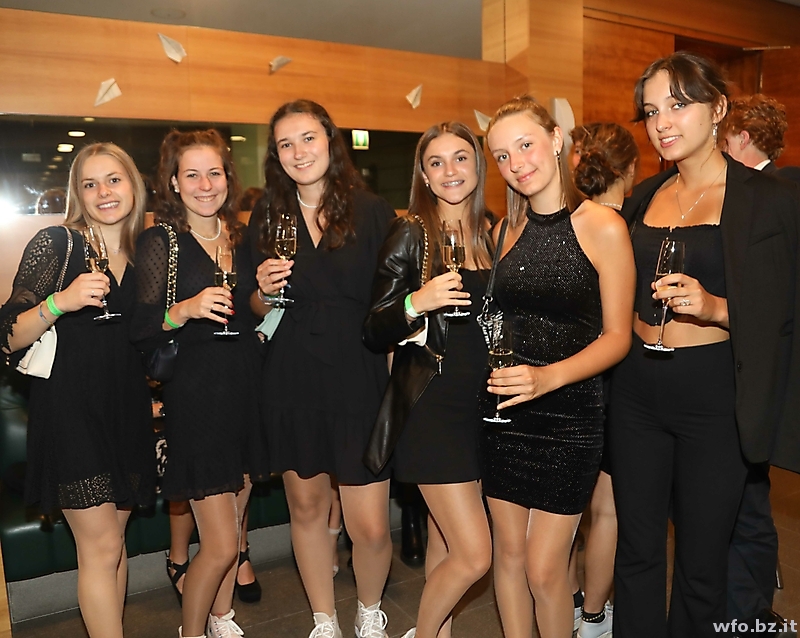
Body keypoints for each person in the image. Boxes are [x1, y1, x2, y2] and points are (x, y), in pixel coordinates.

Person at [610, 52, 800, 638]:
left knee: (701, 560)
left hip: (713, 392)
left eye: (677, 105)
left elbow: (785, 309)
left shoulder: (767, 199)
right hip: (636, 389)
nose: (662, 123)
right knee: (635, 550)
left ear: (718, 108)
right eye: (651, 111)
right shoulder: (644, 197)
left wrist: (717, 308)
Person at [482, 96, 635, 638]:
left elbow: (618, 338)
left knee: (546, 570)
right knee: (507, 557)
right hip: (504, 414)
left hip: (570, 417)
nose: (516, 163)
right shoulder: (503, 231)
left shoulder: (602, 225)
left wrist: (548, 377)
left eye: (525, 145)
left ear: (555, 139)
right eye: (502, 156)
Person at [249, 99, 396, 638]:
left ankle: (368, 612)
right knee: (308, 509)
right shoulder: (268, 214)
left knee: (371, 526)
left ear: (330, 142)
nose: (298, 152)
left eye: (308, 138)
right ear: (276, 155)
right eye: (285, 144)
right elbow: (253, 308)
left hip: (358, 374)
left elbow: (391, 303)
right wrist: (263, 292)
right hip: (291, 374)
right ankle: (324, 620)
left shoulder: (372, 210)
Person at [0, 142, 155, 638]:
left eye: (114, 179)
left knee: (115, 545)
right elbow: (7, 335)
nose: (103, 191)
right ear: (78, 194)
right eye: (90, 184)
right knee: (101, 546)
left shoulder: (144, 253)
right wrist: (60, 302)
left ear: (133, 185)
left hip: (126, 410)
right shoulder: (57, 243)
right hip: (70, 411)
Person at [132, 129, 266, 638]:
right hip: (197, 397)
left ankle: (221, 617)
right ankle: (191, 632)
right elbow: (141, 328)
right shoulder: (161, 242)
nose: (205, 184)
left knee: (236, 522)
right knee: (222, 544)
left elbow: (254, 313)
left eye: (214, 173)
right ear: (173, 182)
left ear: (228, 178)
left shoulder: (242, 238)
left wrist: (267, 296)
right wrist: (185, 309)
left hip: (246, 389)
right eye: (192, 174)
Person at [363, 121, 494, 638]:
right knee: (475, 555)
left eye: (460, 158)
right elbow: (374, 327)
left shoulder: (493, 232)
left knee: (447, 543)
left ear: (478, 165)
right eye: (436, 162)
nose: (450, 171)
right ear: (423, 174)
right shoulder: (411, 232)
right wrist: (418, 301)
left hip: (482, 405)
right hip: (432, 405)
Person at [720, 93, 800, 636]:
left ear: (741, 138)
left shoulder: (779, 194)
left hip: (760, 374)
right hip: (740, 371)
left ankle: (747, 615)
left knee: (747, 501)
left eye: (724, 137)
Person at [568, 122, 640, 638]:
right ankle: (594, 616)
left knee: (567, 509)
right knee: (608, 509)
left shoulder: (564, 222)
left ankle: (572, 599)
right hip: (614, 381)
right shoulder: (625, 228)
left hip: (565, 377)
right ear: (630, 170)